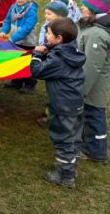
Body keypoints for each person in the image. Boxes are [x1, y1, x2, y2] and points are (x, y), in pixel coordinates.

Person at [31, 18, 85, 188]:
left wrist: (37, 55)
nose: (46, 36)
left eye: (49, 33)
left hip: (63, 107)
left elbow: (38, 71)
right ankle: (71, 168)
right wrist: (50, 49)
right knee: (74, 139)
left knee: (63, 140)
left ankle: (66, 176)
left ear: (59, 38)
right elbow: (58, 55)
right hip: (75, 103)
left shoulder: (58, 60)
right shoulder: (71, 51)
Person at [77, 0, 110, 163]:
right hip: (89, 84)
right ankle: (89, 146)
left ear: (95, 9)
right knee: (89, 114)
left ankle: (96, 151)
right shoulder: (92, 28)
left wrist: (81, 89)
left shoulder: (97, 34)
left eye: (85, 5)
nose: (81, 7)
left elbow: (92, 66)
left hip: (93, 85)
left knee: (94, 115)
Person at [0, 0, 38, 94]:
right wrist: (4, 31)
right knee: (16, 62)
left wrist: (13, 38)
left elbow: (26, 29)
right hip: (15, 41)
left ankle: (30, 84)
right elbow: (7, 20)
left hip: (27, 43)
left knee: (27, 64)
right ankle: (16, 81)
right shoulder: (13, 8)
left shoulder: (31, 12)